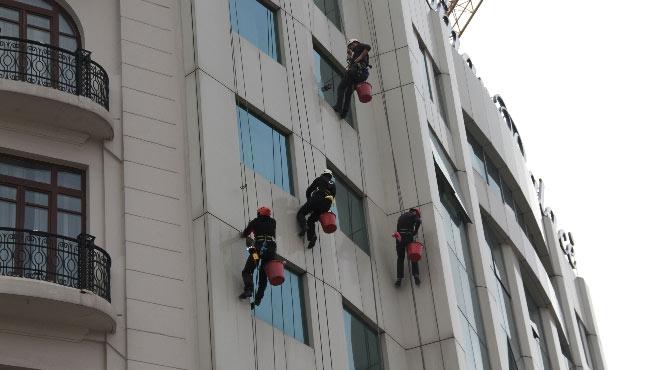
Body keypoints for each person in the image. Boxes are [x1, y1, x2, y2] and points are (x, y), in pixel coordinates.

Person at [238, 206, 277, 307]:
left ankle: (249, 290)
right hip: (270, 251)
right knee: (263, 276)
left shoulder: (255, 221)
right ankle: (258, 299)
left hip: (258, 249)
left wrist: (245, 232)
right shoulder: (273, 222)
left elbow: (246, 233)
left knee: (248, 270)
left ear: (259, 213)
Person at [297, 169, 336, 249]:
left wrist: (309, 201)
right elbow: (332, 197)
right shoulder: (333, 184)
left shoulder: (320, 179)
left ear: (324, 174)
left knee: (301, 213)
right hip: (325, 206)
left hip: (316, 200)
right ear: (330, 176)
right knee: (311, 220)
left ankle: (304, 227)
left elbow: (309, 190)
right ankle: (312, 237)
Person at [332, 38, 371, 119]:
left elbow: (368, 47)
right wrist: (350, 55)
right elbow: (352, 62)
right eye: (350, 46)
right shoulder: (356, 53)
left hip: (355, 72)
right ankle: (344, 113)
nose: (351, 47)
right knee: (348, 93)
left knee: (341, 88)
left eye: (352, 45)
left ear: (356, 43)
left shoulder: (359, 47)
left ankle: (338, 107)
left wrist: (359, 58)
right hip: (360, 75)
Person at [394, 208, 422, 287]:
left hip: (399, 238)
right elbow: (419, 221)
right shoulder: (413, 215)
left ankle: (399, 279)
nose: (417, 216)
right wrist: (415, 231)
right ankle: (416, 276)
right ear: (415, 212)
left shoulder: (401, 216)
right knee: (413, 255)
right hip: (407, 236)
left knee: (400, 258)